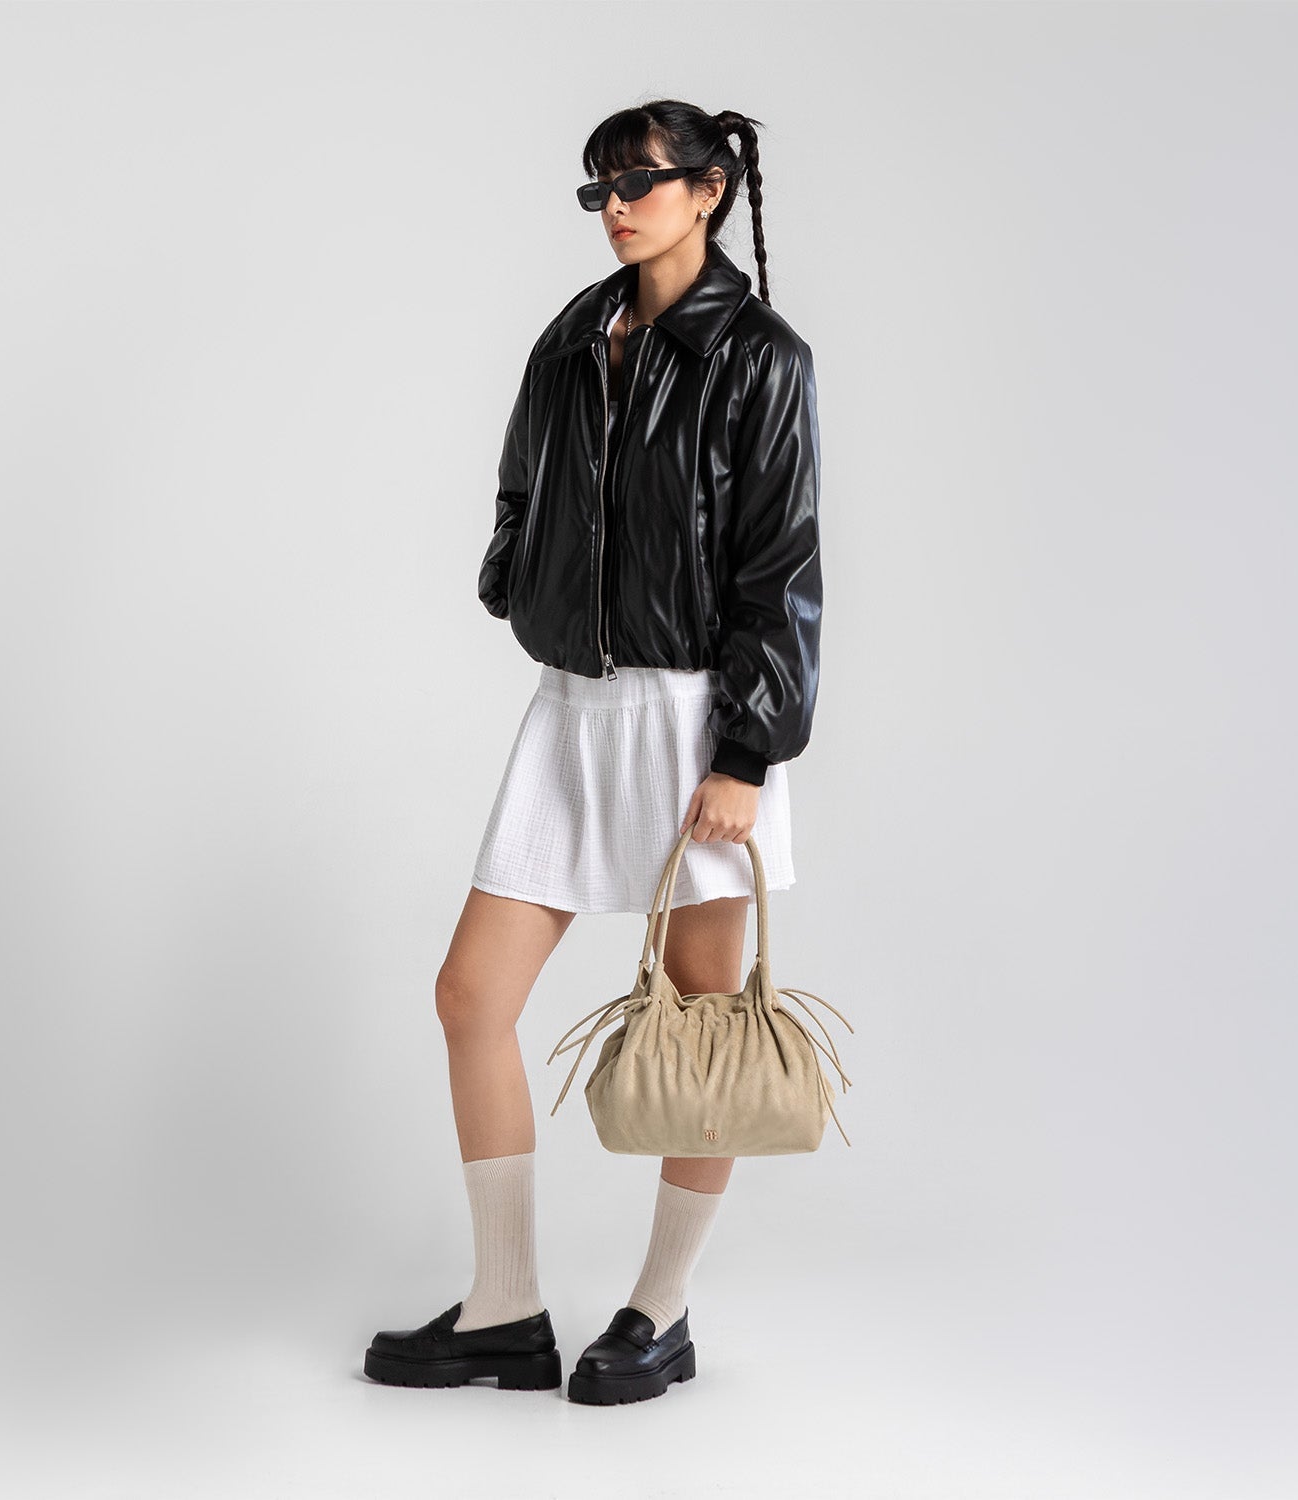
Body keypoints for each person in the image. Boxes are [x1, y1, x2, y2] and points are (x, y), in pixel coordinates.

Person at [363, 98, 822, 1405]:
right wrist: (518, 577)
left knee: (700, 1031)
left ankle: (660, 1312)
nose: (616, 207)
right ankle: (505, 1308)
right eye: (599, 189)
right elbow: (521, 484)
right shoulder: (573, 337)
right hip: (574, 708)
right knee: (472, 997)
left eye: (641, 183)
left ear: (711, 189)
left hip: (699, 719)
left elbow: (782, 567)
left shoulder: (761, 356)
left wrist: (747, 753)